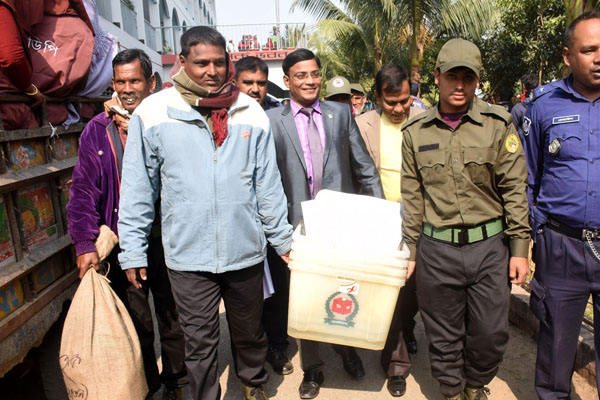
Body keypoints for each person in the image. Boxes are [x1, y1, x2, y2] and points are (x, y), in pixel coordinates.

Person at [117, 27, 293, 400]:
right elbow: (137, 188)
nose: (212, 71)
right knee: (199, 343)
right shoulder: (154, 113)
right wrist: (132, 250)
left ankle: (252, 382)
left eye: (218, 62)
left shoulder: (249, 111)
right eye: (201, 63)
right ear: (182, 63)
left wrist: (281, 240)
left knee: (249, 332)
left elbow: (267, 185)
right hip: (187, 255)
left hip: (244, 251)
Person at [401, 38, 530, 400]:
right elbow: (412, 197)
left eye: (468, 78)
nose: (460, 85)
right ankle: (452, 391)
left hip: (489, 248)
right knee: (443, 333)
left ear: (477, 81)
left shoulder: (497, 124)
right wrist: (409, 250)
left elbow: (514, 189)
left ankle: (476, 382)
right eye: (452, 76)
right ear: (437, 77)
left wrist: (519, 248)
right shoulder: (415, 133)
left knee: (490, 333)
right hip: (436, 249)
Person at [67, 49, 187, 400]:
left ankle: (176, 381)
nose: (127, 88)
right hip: (124, 244)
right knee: (136, 322)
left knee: (172, 316)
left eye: (135, 80)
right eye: (120, 81)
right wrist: (85, 244)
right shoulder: (98, 130)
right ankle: (146, 385)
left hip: (169, 239)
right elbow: (84, 191)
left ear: (152, 81)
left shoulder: (171, 121)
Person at [266, 48, 384, 399]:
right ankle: (313, 368)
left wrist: (380, 220)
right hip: (299, 228)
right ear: (287, 81)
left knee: (345, 288)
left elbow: (364, 168)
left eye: (315, 74)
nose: (310, 81)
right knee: (307, 298)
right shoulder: (274, 121)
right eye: (301, 75)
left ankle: (347, 348)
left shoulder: (340, 114)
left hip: (342, 224)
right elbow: (268, 179)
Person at [522, 11, 600, 399]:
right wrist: (538, 234)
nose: (599, 57)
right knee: (555, 349)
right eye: (589, 50)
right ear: (568, 55)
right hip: (561, 247)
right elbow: (528, 178)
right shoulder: (542, 106)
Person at [355, 63, 424, 397]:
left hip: (421, 220)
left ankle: (407, 330)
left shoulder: (425, 122)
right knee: (391, 293)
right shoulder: (361, 125)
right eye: (390, 102)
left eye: (405, 101)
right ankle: (396, 365)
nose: (399, 109)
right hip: (379, 220)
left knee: (413, 293)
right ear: (377, 97)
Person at [511, 73, 537, 140]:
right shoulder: (544, 106)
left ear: (523, 86)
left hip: (523, 148)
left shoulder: (517, 109)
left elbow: (512, 133)